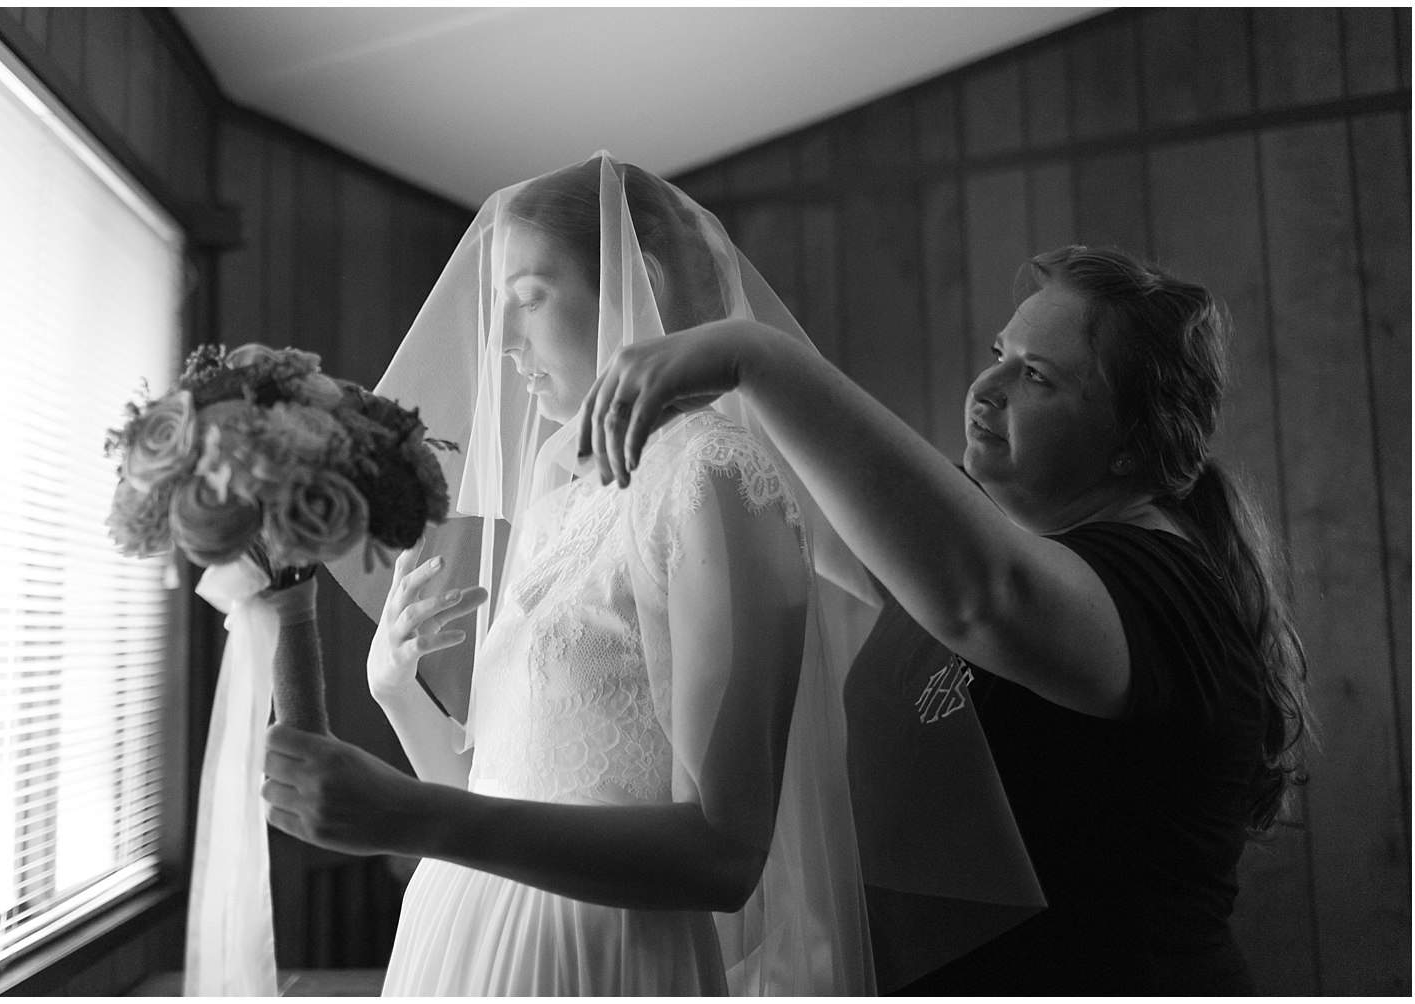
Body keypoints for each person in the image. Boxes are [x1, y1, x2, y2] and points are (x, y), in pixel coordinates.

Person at [580, 244, 1313, 994]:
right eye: (1001, 353)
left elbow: (983, 598)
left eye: (1036, 376)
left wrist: (753, 357)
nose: (987, 388)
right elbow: (822, 511)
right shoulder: (993, 540)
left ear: (1133, 443)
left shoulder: (1164, 588)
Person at [259, 154, 880, 995]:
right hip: (464, 943)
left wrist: (412, 816)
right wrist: (396, 691)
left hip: (600, 963)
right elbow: (496, 795)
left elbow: (724, 856)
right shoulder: (558, 498)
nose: (503, 343)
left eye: (528, 298)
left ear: (638, 285)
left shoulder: (713, 479)